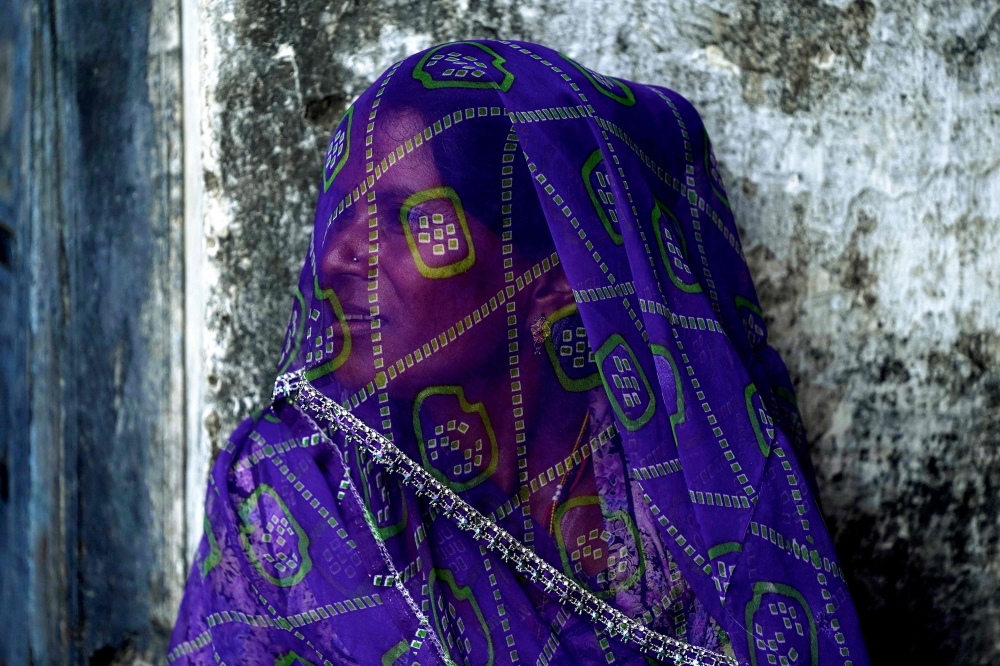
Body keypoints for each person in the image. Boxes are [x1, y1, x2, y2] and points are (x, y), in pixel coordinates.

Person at [168, 40, 870, 666]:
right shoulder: (295, 484)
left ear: (552, 281)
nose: (339, 254)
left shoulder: (680, 474)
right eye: (344, 211)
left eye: (405, 217)